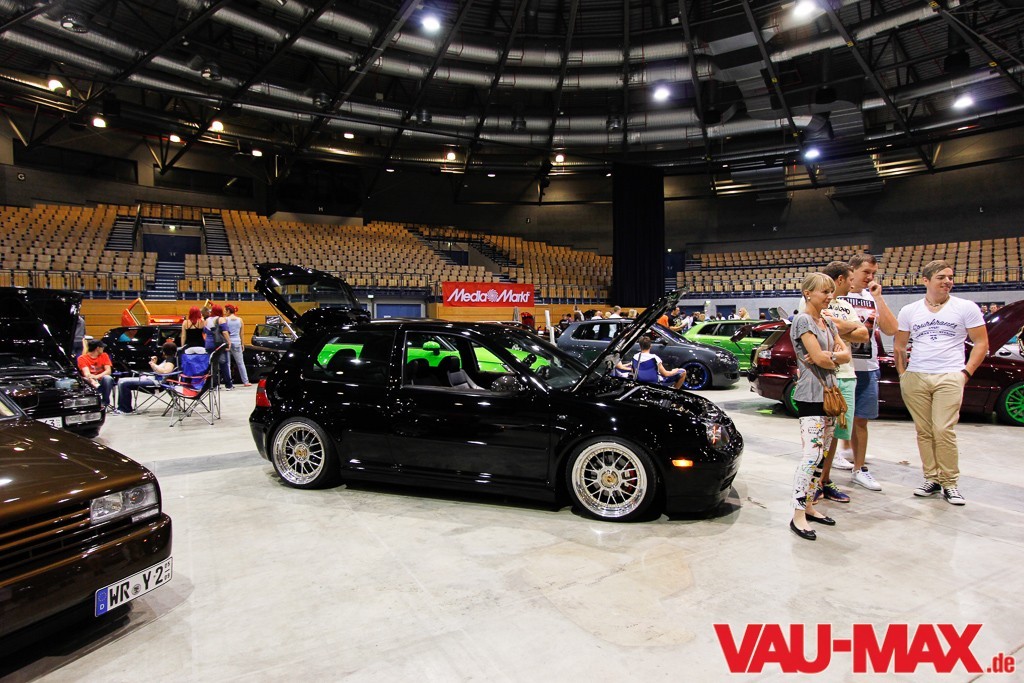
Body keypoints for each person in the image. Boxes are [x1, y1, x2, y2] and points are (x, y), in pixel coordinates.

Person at [895, 260, 988, 506]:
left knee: (943, 430)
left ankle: (950, 482)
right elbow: (900, 346)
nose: (947, 281)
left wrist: (965, 373)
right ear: (926, 280)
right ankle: (931, 478)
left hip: (949, 375)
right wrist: (903, 374)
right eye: (941, 277)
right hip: (916, 376)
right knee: (924, 431)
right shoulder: (910, 310)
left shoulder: (965, 307)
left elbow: (981, 343)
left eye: (950, 277)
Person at [789, 273, 851, 541]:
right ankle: (797, 514)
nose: (829, 296)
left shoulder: (826, 321)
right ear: (808, 293)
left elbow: (845, 355)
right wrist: (828, 358)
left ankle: (810, 506)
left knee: (823, 456)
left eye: (831, 291)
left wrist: (831, 356)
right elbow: (818, 358)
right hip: (811, 395)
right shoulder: (803, 320)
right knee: (811, 456)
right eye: (824, 292)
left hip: (829, 395)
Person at [838, 254, 898, 492]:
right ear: (852, 270)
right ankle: (832, 461)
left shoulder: (871, 297)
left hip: (867, 368)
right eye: (866, 272)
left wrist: (878, 297)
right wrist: (856, 331)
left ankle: (859, 468)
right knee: (834, 420)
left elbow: (891, 329)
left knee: (861, 421)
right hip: (841, 368)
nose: (870, 277)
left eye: (873, 273)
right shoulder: (839, 296)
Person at [814, 261, 869, 505]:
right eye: (850, 280)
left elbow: (863, 334)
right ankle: (813, 482)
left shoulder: (846, 305)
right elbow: (819, 329)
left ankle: (825, 481)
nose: (853, 284)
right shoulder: (813, 301)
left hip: (847, 375)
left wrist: (837, 325)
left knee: (837, 432)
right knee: (819, 432)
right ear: (839, 280)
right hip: (824, 376)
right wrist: (849, 329)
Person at [112, 342, 177, 415]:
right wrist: (154, 364)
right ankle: (122, 408)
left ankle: (125, 410)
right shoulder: (168, 359)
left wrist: (153, 365)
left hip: (158, 383)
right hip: (154, 379)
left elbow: (166, 371)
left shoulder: (170, 360)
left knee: (124, 383)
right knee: (121, 380)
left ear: (164, 351)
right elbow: (159, 371)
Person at [615, 336, 686, 388]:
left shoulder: (635, 357)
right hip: (655, 382)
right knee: (683, 372)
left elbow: (633, 370)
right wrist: (675, 370)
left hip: (640, 380)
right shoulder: (655, 358)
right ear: (650, 346)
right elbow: (665, 374)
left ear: (640, 346)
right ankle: (674, 393)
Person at [78, 340, 115, 408]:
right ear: (97, 348)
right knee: (87, 379)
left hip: (102, 380)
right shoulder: (82, 358)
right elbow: (86, 373)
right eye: (102, 347)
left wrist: (97, 376)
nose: (103, 348)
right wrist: (93, 380)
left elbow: (108, 371)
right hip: (90, 381)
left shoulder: (104, 355)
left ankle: (105, 403)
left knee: (108, 378)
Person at [205, 304, 234, 390]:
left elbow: (205, 332)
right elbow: (225, 332)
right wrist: (229, 342)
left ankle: (213, 385)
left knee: (212, 364)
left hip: (209, 344)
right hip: (218, 344)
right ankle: (228, 384)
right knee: (223, 363)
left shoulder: (207, 320)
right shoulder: (221, 319)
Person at [224, 304, 251, 387]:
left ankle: (229, 382)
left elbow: (224, 332)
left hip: (228, 343)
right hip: (237, 342)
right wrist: (242, 344)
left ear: (228, 311)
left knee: (228, 364)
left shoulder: (225, 319)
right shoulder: (240, 320)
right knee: (240, 363)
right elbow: (241, 333)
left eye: (225, 310)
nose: (225, 312)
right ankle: (246, 381)